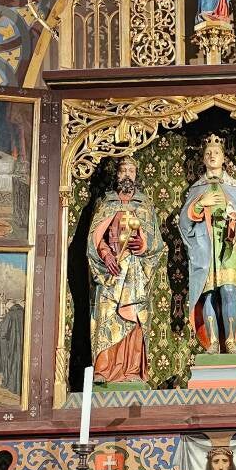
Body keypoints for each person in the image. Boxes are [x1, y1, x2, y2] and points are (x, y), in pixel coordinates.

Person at [87, 157, 164, 384]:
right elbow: (94, 238)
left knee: (134, 315)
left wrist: (143, 245)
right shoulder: (105, 202)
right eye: (123, 170)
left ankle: (132, 370)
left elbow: (156, 242)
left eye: (131, 170)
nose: (128, 174)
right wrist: (106, 254)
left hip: (135, 269)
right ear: (117, 174)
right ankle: (104, 369)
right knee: (106, 313)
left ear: (136, 175)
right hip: (110, 270)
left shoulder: (144, 204)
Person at [179, 135, 236, 353]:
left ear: (223, 158)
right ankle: (212, 342)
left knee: (229, 290)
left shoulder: (234, 187)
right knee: (209, 292)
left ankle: (230, 341)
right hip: (204, 246)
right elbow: (184, 223)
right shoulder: (196, 189)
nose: (212, 156)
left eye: (216, 153)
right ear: (203, 159)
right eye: (208, 153)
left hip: (227, 245)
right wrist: (200, 204)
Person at [0, 298, 25, 395]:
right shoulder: (24, 313)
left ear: (8, 306)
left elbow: (4, 332)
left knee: (12, 362)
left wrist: (0, 322)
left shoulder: (10, 314)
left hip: (13, 344)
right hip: (23, 343)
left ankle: (13, 386)